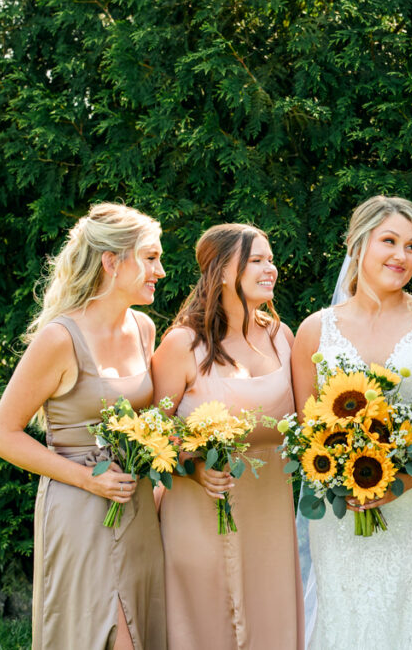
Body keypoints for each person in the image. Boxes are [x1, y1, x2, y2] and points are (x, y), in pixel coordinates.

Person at [0, 202, 167, 650]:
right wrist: (90, 480)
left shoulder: (144, 329)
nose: (160, 270)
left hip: (137, 506)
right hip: (80, 510)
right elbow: (2, 435)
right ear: (111, 262)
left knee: (142, 631)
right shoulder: (59, 338)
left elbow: (155, 422)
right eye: (149, 257)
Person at [291, 195, 412, 649]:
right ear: (357, 243)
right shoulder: (315, 330)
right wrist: (345, 483)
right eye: (389, 241)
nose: (402, 256)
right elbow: (307, 432)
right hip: (342, 515)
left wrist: (397, 484)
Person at [152, 223, 302, 649]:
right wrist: (196, 468)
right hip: (201, 510)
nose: (270, 268)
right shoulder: (183, 344)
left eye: (270, 259)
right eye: (256, 259)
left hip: (270, 509)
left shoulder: (281, 337)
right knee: (206, 624)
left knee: (268, 622)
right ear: (220, 271)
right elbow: (152, 436)